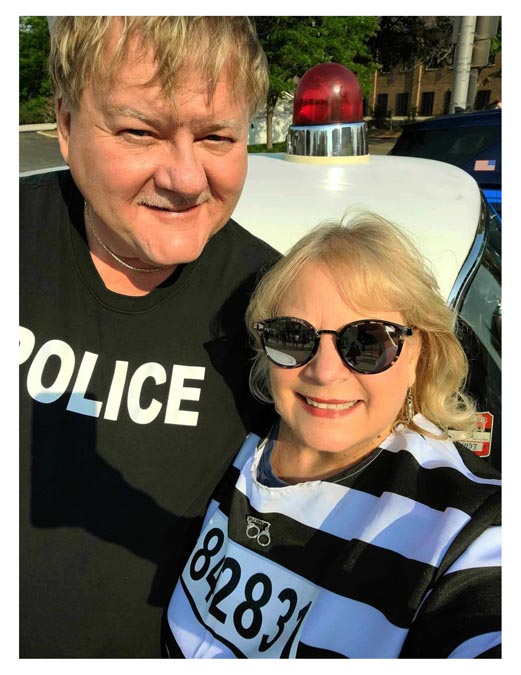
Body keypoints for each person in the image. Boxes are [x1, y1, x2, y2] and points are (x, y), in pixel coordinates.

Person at [19, 17, 279, 657]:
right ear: (66, 124)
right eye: (140, 132)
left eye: (217, 137)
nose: (186, 180)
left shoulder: (280, 314)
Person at [164, 213, 501, 659]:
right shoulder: (240, 440)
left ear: (418, 354)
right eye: (293, 336)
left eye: (367, 342)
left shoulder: (465, 524)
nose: (323, 373)